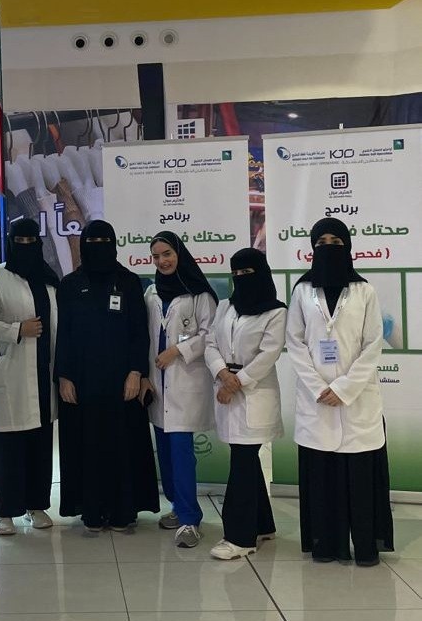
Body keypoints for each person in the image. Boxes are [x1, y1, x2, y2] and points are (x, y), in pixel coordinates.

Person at [286, 218, 394, 566]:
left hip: (357, 399)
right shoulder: (302, 291)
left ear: (347, 246)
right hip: (317, 400)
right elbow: (295, 343)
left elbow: (373, 344)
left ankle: (365, 546)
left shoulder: (364, 291)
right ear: (312, 248)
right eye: (322, 242)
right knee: (323, 478)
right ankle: (326, 545)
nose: (328, 247)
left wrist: (344, 388)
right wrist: (320, 387)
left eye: (335, 241)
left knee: (359, 478)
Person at [55, 220, 159, 532]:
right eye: (92, 242)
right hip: (83, 381)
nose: (97, 248)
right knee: (87, 445)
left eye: (104, 242)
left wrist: (136, 372)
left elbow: (139, 331)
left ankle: (123, 511)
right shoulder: (70, 284)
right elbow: (64, 334)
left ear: (113, 245)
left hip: (122, 381)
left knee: (122, 445)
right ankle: (91, 511)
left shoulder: (128, 281)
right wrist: (64, 376)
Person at [0, 218, 59, 535]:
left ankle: (36, 506)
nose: (25, 247)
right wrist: (15, 330)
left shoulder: (50, 280)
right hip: (9, 374)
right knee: (9, 447)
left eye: (31, 241)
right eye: (19, 242)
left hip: (44, 371)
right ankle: (6, 512)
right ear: (10, 242)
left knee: (40, 443)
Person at [204, 247, 286, 560]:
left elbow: (269, 354)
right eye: (236, 273)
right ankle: (263, 524)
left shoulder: (276, 312)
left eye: (247, 272)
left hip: (253, 392)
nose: (241, 278)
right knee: (246, 460)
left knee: (242, 461)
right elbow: (210, 343)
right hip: (226, 387)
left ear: (261, 273)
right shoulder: (226, 306)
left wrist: (237, 382)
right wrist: (222, 374)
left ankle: (240, 537)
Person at [140, 230, 218, 548]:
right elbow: (144, 337)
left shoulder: (199, 294)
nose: (162, 261)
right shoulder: (151, 294)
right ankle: (177, 505)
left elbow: (211, 335)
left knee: (182, 453)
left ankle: (189, 519)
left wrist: (178, 350)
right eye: (156, 256)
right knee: (166, 453)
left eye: (167, 254)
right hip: (157, 385)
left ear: (179, 254)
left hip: (185, 382)